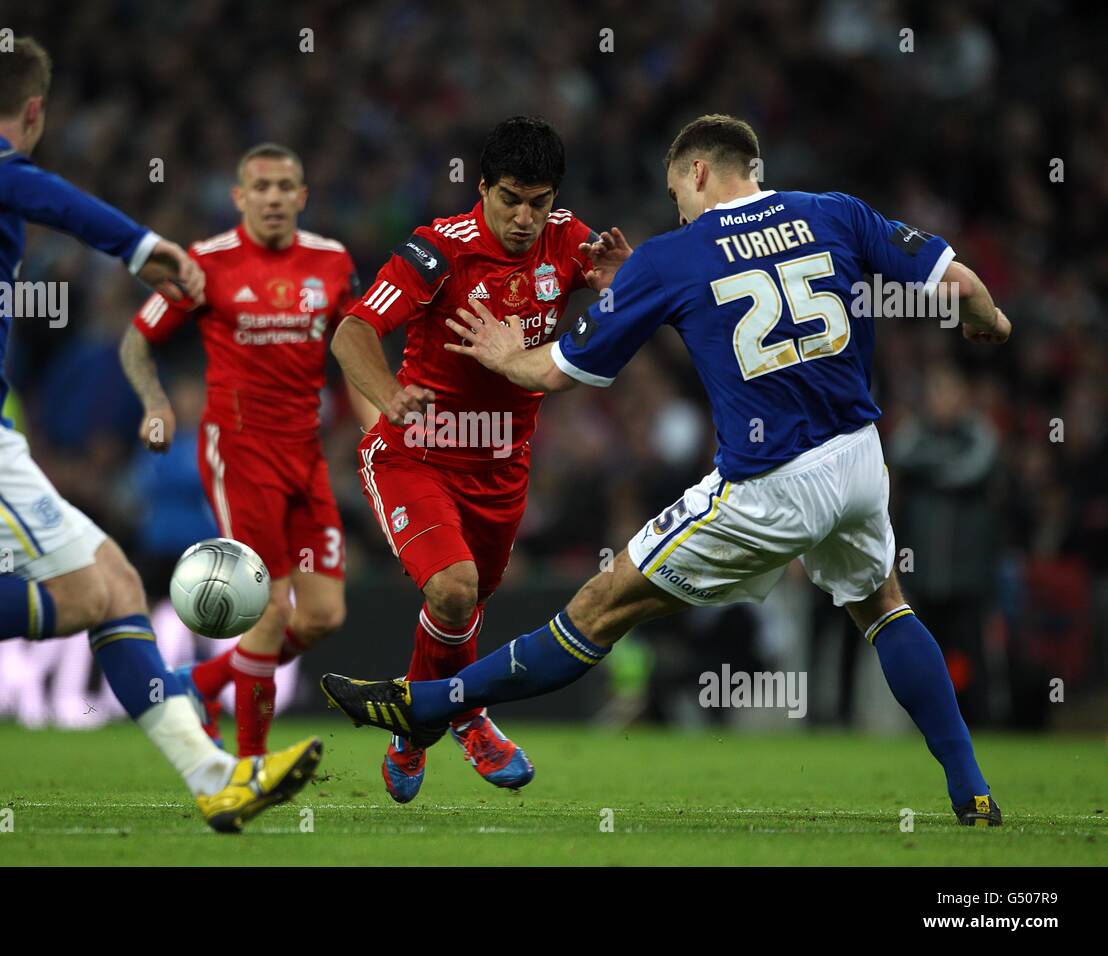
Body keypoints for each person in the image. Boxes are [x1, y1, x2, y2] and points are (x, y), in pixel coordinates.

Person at [322, 113, 1012, 826]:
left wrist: (507, 354)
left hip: (766, 483)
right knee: (885, 607)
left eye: (674, 190)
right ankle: (972, 790)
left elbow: (560, 370)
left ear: (700, 175)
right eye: (513, 200)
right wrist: (989, 320)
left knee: (600, 605)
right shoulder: (833, 211)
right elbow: (958, 282)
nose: (675, 207)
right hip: (860, 461)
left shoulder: (673, 251)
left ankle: (423, 705)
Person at [0, 35, 319, 833]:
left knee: (110, 587)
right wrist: (143, 247)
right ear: (35, 112)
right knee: (91, 590)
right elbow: (49, 197)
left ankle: (216, 777)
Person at [330, 116, 632, 802]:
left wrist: (623, 281)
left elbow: (648, 298)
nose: (526, 218)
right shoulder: (437, 251)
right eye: (511, 199)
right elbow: (352, 332)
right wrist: (388, 394)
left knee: (463, 606)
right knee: (454, 587)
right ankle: (468, 718)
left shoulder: (568, 241)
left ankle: (412, 728)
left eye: (540, 201)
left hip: (502, 471)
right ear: (482, 188)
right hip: (415, 457)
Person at [120, 142, 377, 755]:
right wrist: (156, 405)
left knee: (321, 615)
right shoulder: (204, 264)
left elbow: (357, 351)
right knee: (268, 609)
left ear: (302, 196)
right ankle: (250, 769)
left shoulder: (333, 262)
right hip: (237, 453)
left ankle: (197, 686)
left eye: (285, 187)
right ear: (239, 197)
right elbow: (136, 341)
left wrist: (377, 430)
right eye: (260, 187)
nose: (273, 198)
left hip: (305, 455)